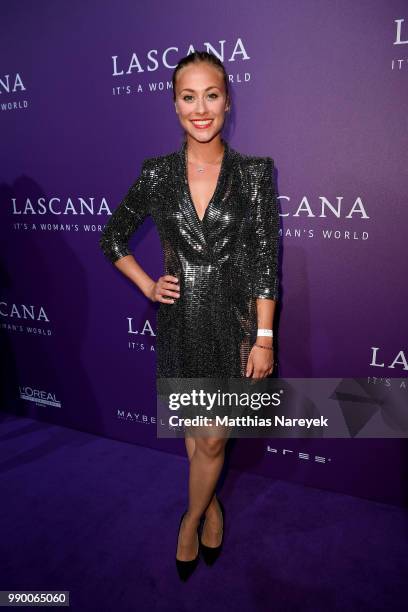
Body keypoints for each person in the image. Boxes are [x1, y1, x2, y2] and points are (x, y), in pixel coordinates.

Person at [99, 50, 280, 580]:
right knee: (197, 437)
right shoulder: (156, 173)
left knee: (213, 439)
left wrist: (264, 337)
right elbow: (112, 237)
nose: (200, 108)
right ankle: (212, 508)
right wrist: (148, 284)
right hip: (180, 323)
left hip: (236, 324)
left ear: (227, 100)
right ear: (175, 104)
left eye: (212, 95)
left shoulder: (253, 173)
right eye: (188, 96)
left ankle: (189, 519)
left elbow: (267, 262)